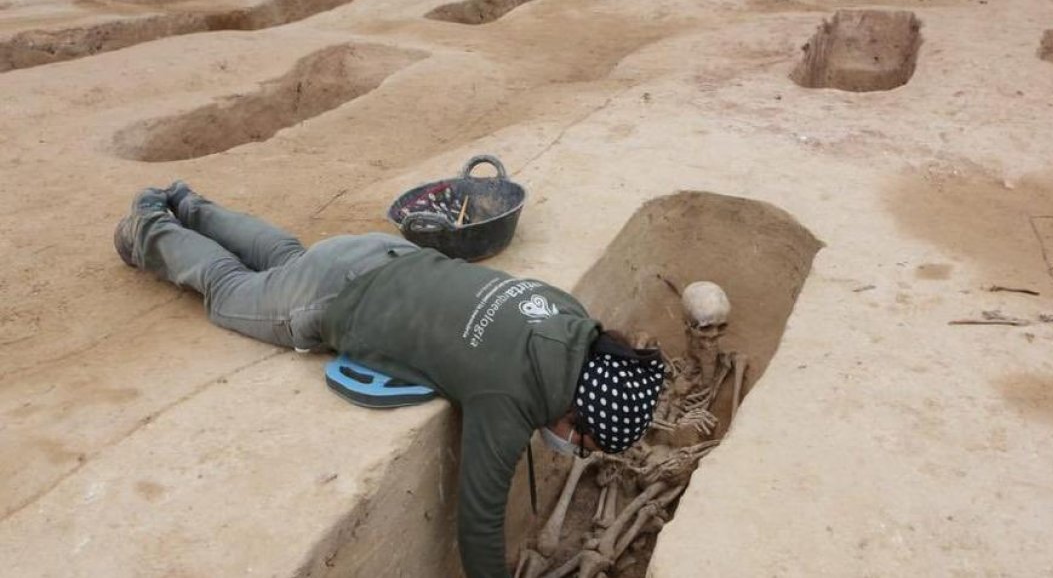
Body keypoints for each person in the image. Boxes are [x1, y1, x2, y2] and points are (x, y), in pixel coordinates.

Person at [113, 182, 666, 578]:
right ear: (576, 418)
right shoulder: (508, 397)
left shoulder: (568, 315)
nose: (572, 449)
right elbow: (478, 522)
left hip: (379, 254)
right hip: (331, 299)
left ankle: (188, 201)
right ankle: (148, 224)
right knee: (227, 289)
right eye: (584, 443)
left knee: (285, 257)